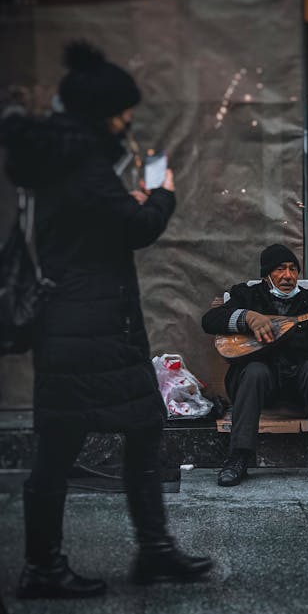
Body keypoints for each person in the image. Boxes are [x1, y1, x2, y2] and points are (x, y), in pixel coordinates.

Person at [0, 40, 212, 599]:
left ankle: (153, 551)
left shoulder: (64, 158)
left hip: (82, 326)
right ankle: (48, 567)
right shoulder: (81, 162)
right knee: (60, 450)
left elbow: (97, 223)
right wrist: (161, 199)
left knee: (132, 430)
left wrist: (131, 203)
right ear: (101, 111)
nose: (127, 120)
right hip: (85, 327)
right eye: (122, 111)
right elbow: (135, 230)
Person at [201, 244, 308, 488]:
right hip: (258, 386)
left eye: (292, 269)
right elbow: (210, 321)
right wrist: (248, 317)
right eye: (280, 269)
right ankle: (238, 458)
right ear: (266, 274)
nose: (288, 276)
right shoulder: (246, 296)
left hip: (299, 387)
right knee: (255, 371)